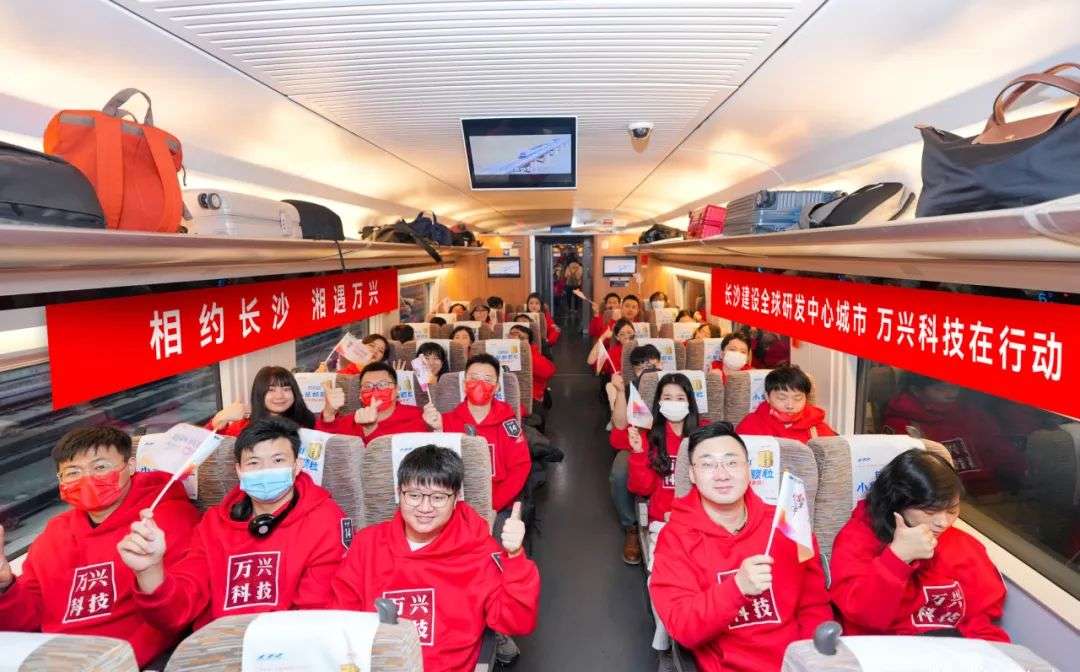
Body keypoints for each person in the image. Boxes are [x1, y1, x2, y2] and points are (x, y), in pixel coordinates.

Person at [119, 417, 348, 631]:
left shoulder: (325, 519)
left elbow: (315, 617)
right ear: (239, 471)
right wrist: (150, 571)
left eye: (278, 460)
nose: (266, 470)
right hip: (218, 645)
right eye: (254, 462)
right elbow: (177, 611)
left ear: (296, 466)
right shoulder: (213, 525)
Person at [0, 427, 200, 667]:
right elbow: (26, 619)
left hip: (126, 659)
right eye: (73, 472)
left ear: (131, 466)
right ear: (60, 480)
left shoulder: (167, 521)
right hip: (52, 657)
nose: (88, 479)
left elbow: (177, 616)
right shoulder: (53, 533)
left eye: (100, 467)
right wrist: (5, 586)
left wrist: (150, 573)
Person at [333, 446, 540, 672]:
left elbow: (517, 622)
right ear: (399, 493)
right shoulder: (367, 544)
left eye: (438, 497)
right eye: (414, 495)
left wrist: (515, 556)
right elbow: (340, 618)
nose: (425, 508)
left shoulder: (480, 552)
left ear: (456, 498)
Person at [649, 422, 831, 672]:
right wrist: (737, 588)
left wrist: (809, 659)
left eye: (732, 462)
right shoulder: (674, 539)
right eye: (708, 464)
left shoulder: (787, 523)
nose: (722, 474)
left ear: (748, 468)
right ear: (692, 474)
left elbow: (814, 604)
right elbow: (683, 627)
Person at [829, 449, 1009, 641]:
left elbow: (981, 616)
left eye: (951, 511)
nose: (943, 523)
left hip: (952, 645)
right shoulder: (856, 540)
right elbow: (862, 615)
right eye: (930, 511)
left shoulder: (962, 544)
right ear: (897, 504)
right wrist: (897, 558)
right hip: (883, 645)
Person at [423, 354, 532, 515]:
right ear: (464, 384)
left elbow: (520, 467)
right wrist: (437, 431)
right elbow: (434, 470)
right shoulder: (444, 421)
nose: (480, 384)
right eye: (473, 378)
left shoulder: (508, 423)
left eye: (487, 379)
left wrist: (492, 506)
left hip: (497, 504)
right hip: (452, 505)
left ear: (497, 387)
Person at [882, 374, 1024, 496]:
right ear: (917, 391)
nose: (951, 393)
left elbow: (1000, 449)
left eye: (954, 387)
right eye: (940, 389)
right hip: (938, 496)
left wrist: (1020, 476)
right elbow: (907, 475)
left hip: (989, 495)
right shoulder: (902, 422)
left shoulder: (972, 414)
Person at [603, 345, 663, 565]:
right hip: (637, 445)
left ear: (660, 364)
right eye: (639, 367)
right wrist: (620, 393)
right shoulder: (631, 391)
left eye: (650, 363)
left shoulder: (674, 386)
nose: (646, 370)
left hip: (669, 445)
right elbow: (619, 432)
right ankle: (631, 526)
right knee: (620, 473)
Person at [623, 373, 708, 529]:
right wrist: (638, 451)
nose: (674, 403)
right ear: (660, 402)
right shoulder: (649, 435)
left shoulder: (705, 433)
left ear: (689, 402)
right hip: (663, 519)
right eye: (668, 398)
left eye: (680, 398)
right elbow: (642, 489)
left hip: (700, 518)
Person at [320, 361, 427, 440]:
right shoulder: (350, 421)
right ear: (360, 394)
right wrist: (328, 413)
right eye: (368, 386)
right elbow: (323, 448)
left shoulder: (418, 417)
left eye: (383, 384)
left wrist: (371, 430)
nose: (375, 391)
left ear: (397, 390)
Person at [735, 364, 836, 442]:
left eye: (798, 398)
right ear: (767, 397)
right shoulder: (751, 425)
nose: (790, 405)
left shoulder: (817, 426)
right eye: (782, 398)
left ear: (806, 398)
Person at [207, 365, 316, 437]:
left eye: (286, 389)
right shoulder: (242, 428)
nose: (279, 396)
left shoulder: (309, 422)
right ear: (259, 394)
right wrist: (218, 420)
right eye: (271, 390)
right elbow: (204, 455)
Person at [509, 324, 555, 405]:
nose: (515, 339)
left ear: (529, 343)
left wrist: (525, 354)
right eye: (512, 334)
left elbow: (547, 372)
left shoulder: (533, 354)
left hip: (529, 397)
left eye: (521, 338)